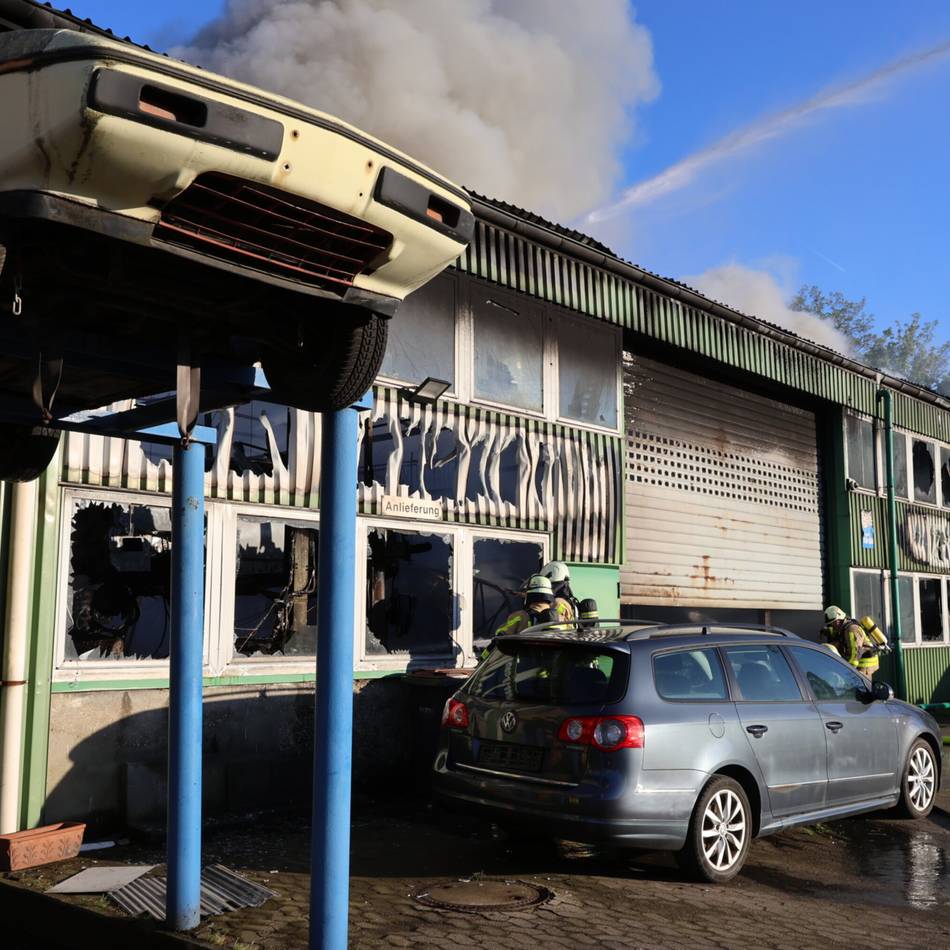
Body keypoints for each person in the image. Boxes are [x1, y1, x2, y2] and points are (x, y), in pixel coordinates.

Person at [820, 605, 879, 678]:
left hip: (865, 662)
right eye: (831, 623)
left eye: (834, 622)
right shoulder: (842, 626)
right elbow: (838, 634)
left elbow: (855, 653)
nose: (833, 625)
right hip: (857, 658)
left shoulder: (852, 630)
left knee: (861, 684)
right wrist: (827, 631)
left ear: (840, 619)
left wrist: (848, 670)